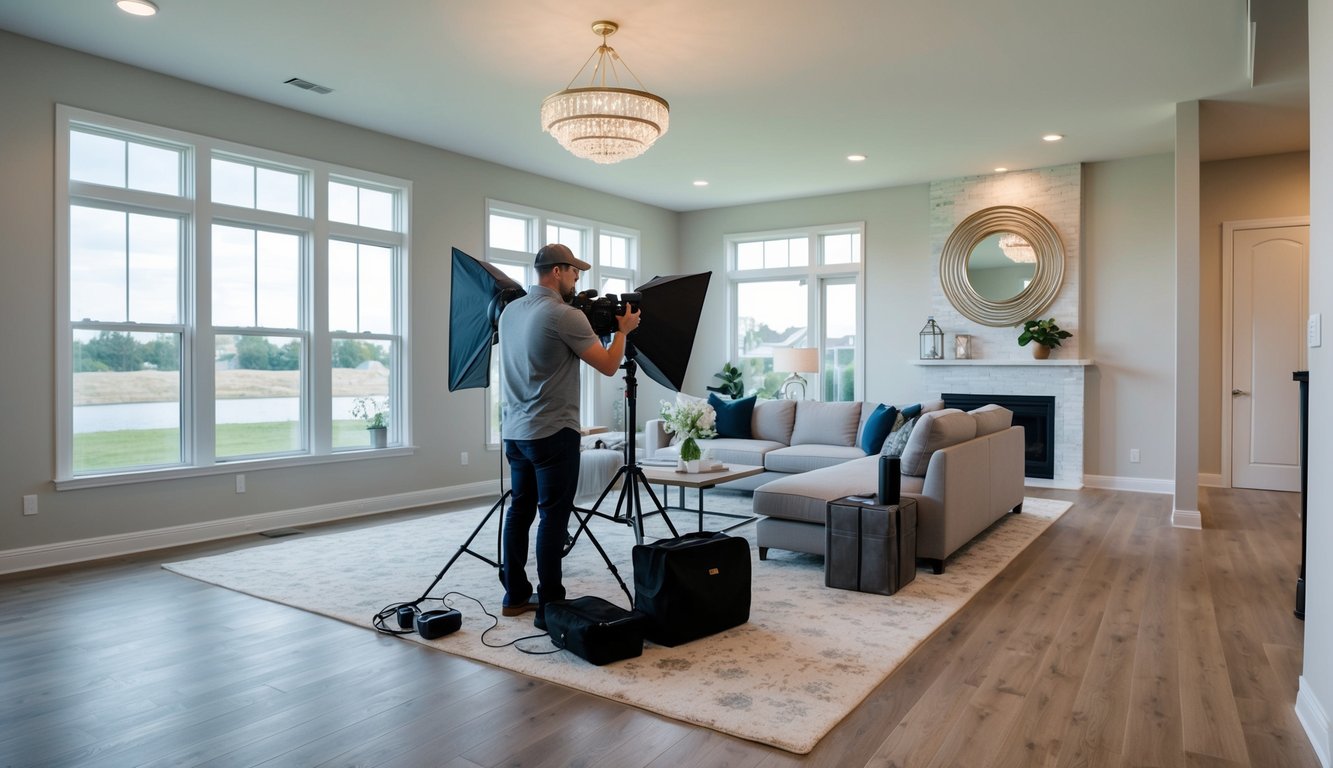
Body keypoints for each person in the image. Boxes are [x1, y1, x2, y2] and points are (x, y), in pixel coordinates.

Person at [497, 243, 641, 630]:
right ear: (558, 271)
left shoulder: (510, 312)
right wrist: (622, 331)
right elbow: (610, 366)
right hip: (553, 433)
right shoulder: (564, 315)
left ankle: (514, 595)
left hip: (515, 434)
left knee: (519, 512)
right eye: (575, 271)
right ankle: (551, 603)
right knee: (553, 518)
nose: (578, 278)